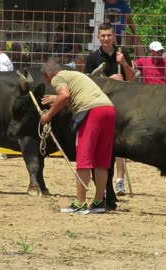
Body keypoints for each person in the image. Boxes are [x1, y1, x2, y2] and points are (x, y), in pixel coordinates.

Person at [40, 59, 116, 214]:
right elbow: (75, 94)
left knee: (84, 159)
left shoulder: (57, 78)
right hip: (108, 110)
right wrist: (57, 99)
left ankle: (80, 203)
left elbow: (65, 95)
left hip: (91, 112)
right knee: (102, 161)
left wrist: (48, 115)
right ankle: (99, 202)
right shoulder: (74, 74)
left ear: (47, 75)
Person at [84, 22, 135, 196]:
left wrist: (125, 64)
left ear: (114, 36)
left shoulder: (122, 54)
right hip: (101, 103)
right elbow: (88, 81)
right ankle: (103, 185)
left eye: (109, 35)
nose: (106, 38)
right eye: (103, 36)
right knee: (103, 144)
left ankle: (119, 180)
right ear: (98, 37)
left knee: (118, 143)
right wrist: (109, 80)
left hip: (122, 102)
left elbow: (132, 79)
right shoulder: (92, 58)